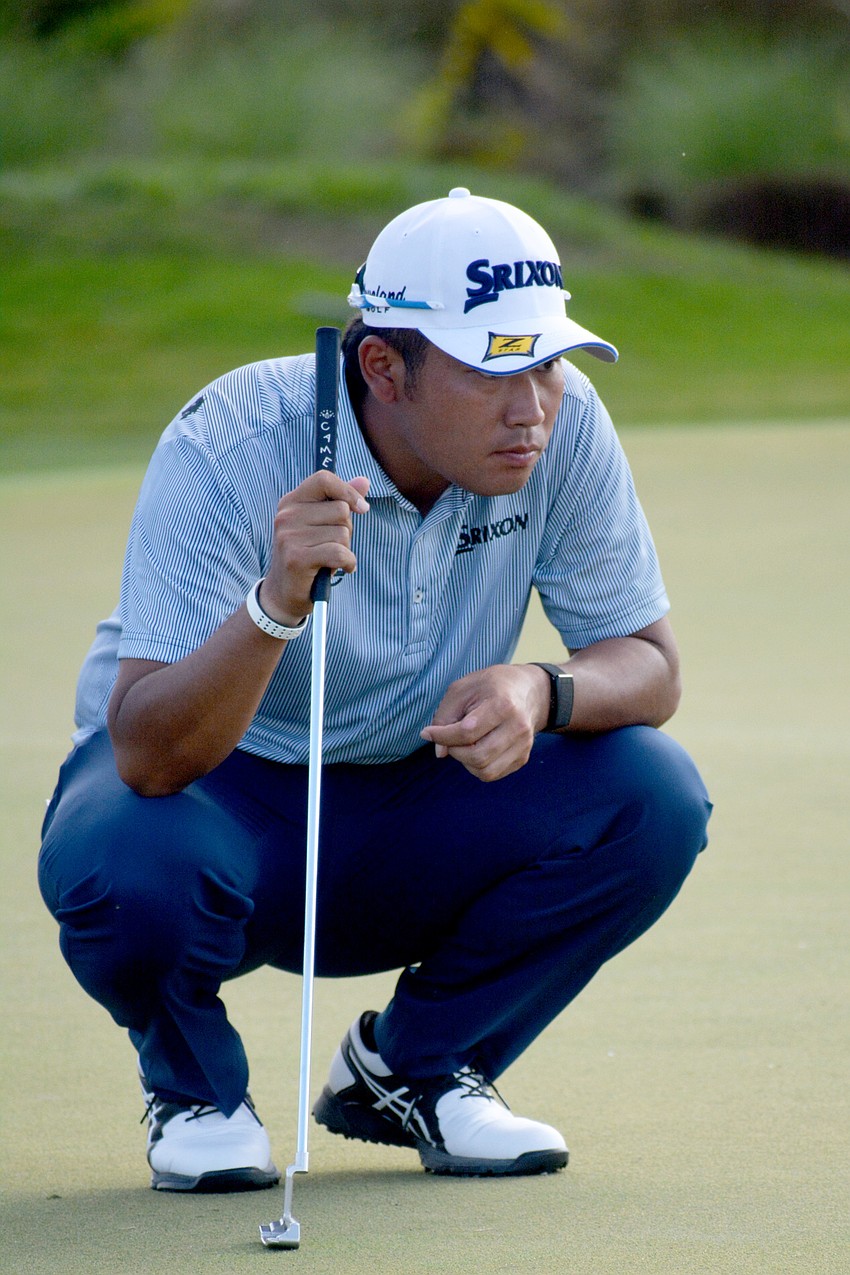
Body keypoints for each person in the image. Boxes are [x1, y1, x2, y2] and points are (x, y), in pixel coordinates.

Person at [39, 187, 712, 1193]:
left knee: (650, 795)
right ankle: (194, 1093)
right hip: (221, 803)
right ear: (384, 367)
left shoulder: (561, 432)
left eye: (546, 365)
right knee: (124, 861)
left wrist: (542, 686)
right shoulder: (230, 438)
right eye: (494, 371)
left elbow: (647, 666)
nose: (530, 408)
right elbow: (147, 750)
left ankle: (417, 1070)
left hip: (415, 804)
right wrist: (274, 603)